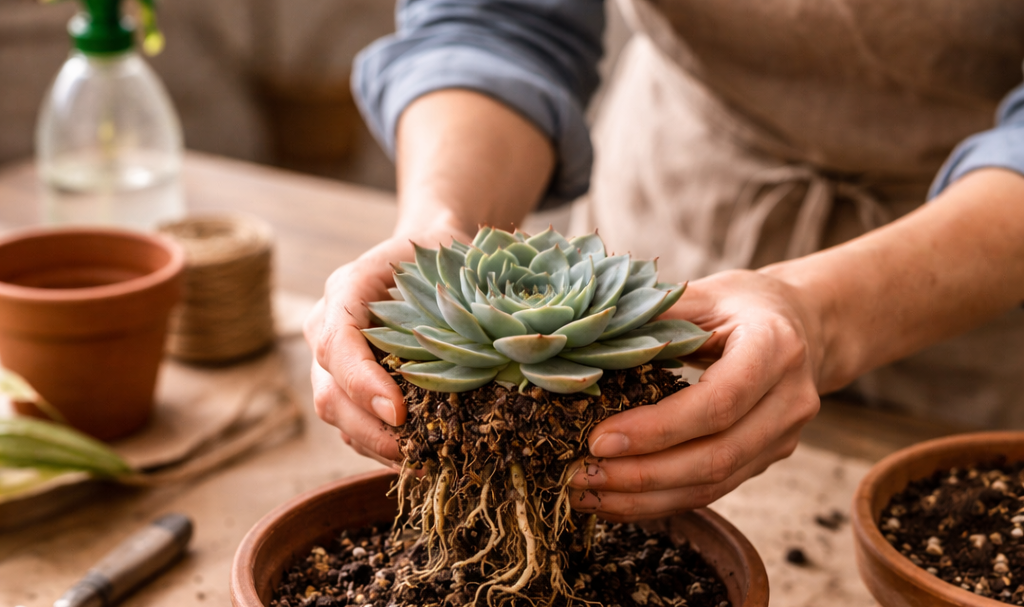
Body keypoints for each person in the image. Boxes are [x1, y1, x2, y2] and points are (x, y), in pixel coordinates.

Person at [304, 0, 1024, 521]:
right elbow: (499, 18)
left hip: (977, 278)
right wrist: (441, 225)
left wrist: (825, 314)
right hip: (681, 192)